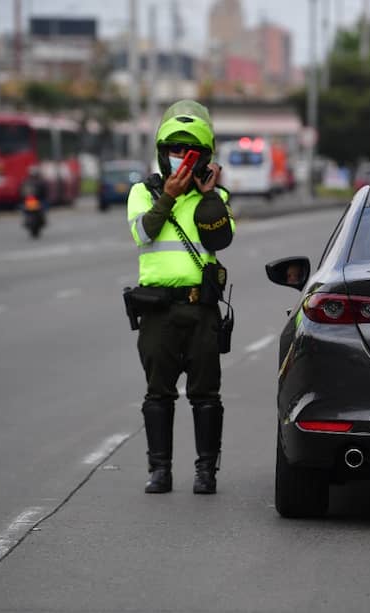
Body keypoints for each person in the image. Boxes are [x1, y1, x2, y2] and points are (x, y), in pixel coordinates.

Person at [126, 100, 235, 494]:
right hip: (157, 311)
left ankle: (206, 472)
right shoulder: (143, 192)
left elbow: (220, 238)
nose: (179, 159)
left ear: (204, 157)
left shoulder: (215, 198)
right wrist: (168, 197)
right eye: (173, 151)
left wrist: (206, 195)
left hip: (200, 310)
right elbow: (143, 233)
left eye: (187, 153)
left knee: (206, 395)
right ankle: (160, 470)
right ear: (161, 153)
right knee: (158, 393)